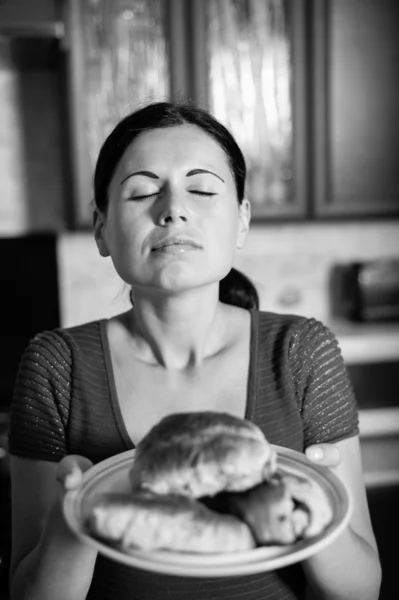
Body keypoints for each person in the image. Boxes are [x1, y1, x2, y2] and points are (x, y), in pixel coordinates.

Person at [8, 101, 381, 600]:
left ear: (242, 221)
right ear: (101, 228)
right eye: (142, 191)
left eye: (202, 189)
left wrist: (311, 504)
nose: (173, 208)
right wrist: (75, 515)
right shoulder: (55, 365)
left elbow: (360, 590)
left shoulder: (302, 352)